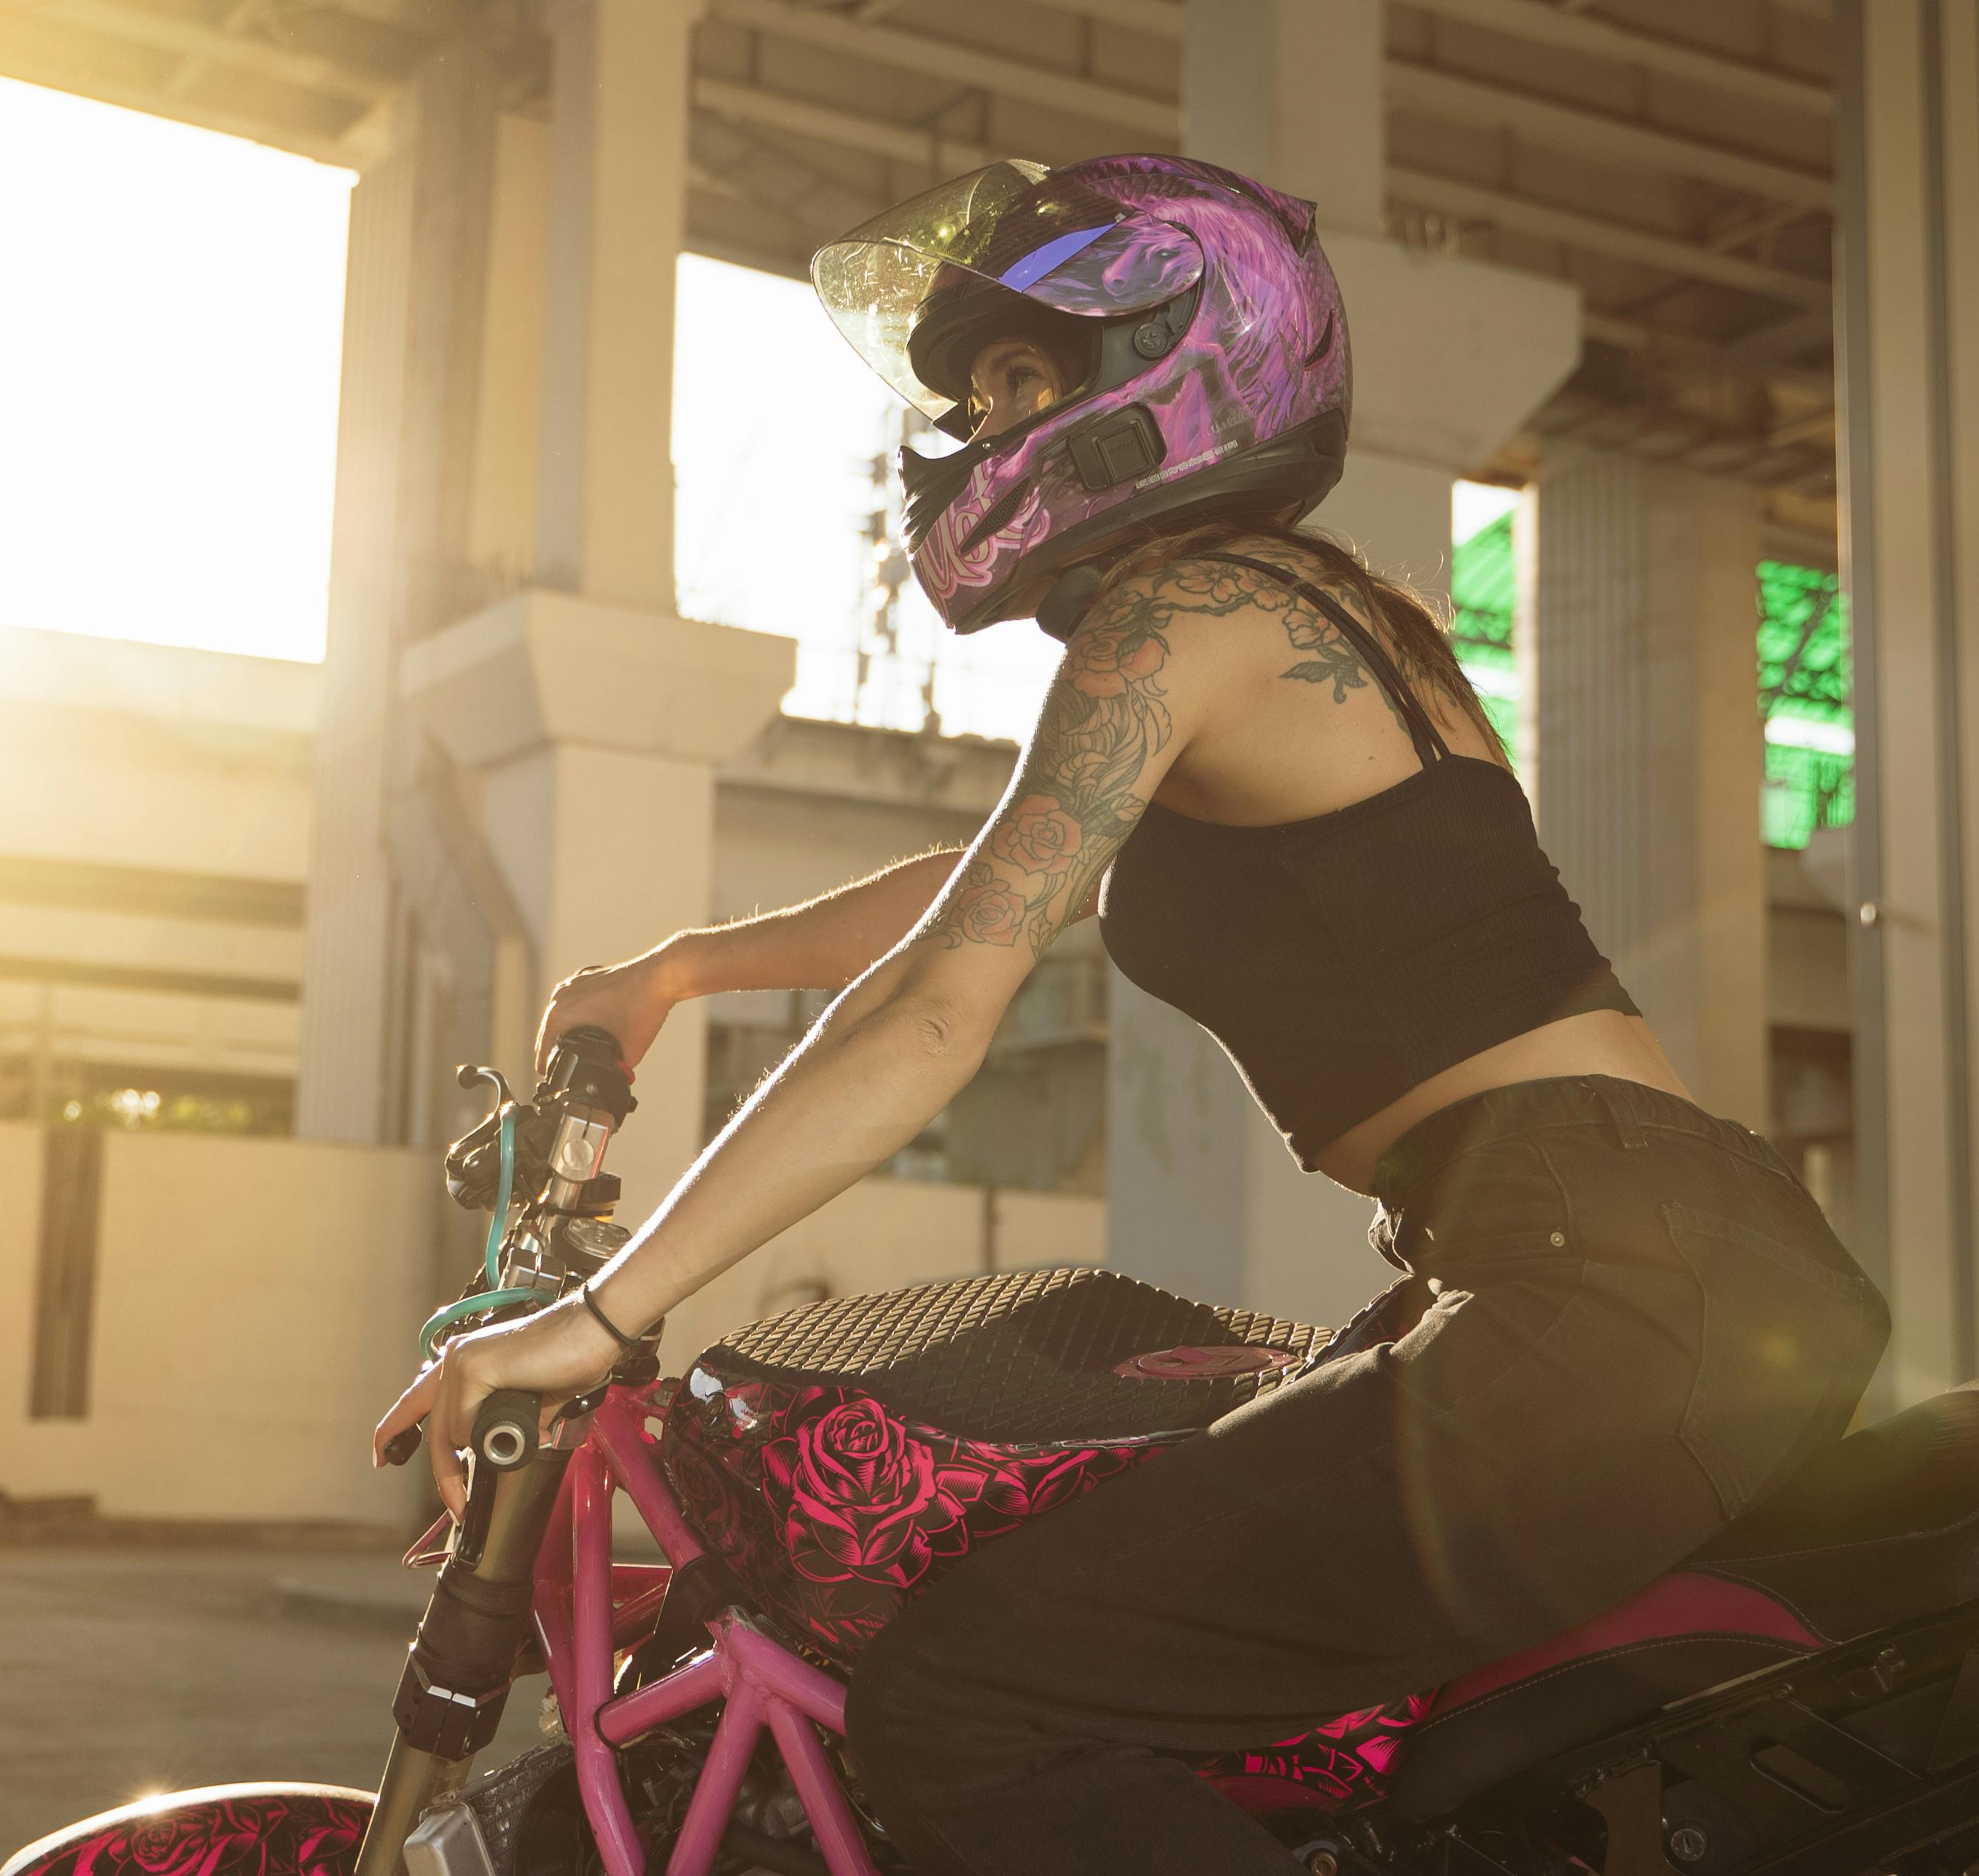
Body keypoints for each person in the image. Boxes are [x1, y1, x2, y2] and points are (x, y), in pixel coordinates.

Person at [374, 155, 1889, 1876]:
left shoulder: (1187, 611)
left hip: (1602, 1285)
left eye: (1018, 379)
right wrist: (684, 969)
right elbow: (989, 891)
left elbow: (943, 1007)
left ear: (1174, 360)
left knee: (972, 1703)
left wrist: (608, 1313)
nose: (971, 429)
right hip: (1630, 1260)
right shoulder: (1300, 616)